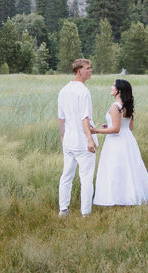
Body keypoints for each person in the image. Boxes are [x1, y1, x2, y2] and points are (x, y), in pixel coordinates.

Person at [91, 78, 148, 206]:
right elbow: (129, 127)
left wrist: (96, 130)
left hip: (116, 142)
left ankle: (116, 198)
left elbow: (115, 129)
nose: (111, 87)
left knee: (115, 168)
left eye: (113, 86)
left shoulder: (115, 106)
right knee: (129, 168)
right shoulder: (128, 106)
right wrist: (109, 126)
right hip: (128, 140)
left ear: (119, 90)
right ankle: (130, 196)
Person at [57, 58, 96, 217]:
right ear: (79, 71)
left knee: (66, 175)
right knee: (86, 177)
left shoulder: (63, 90)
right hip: (82, 142)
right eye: (88, 68)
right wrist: (90, 139)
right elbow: (84, 118)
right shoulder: (83, 91)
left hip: (69, 140)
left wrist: (62, 138)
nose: (90, 71)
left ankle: (63, 209)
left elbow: (61, 119)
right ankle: (85, 213)